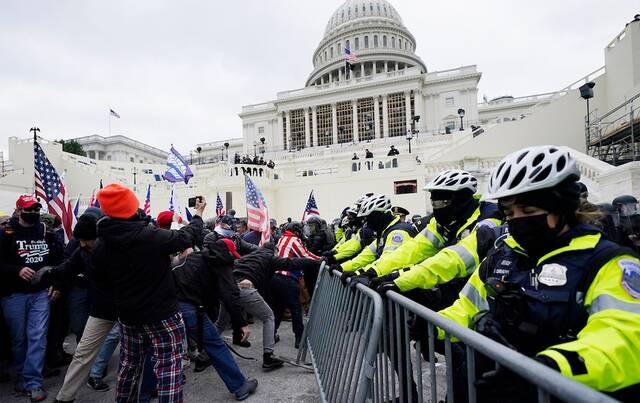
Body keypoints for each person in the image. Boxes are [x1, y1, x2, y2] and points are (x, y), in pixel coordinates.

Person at [438, 145, 640, 401]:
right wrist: (433, 327)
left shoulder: (607, 262)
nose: (516, 220)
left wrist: (549, 368)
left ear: (561, 209)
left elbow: (624, 338)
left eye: (529, 212)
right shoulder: (504, 255)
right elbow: (466, 306)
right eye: (509, 213)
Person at [91, 184, 204, 403]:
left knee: (128, 367)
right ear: (131, 207)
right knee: (169, 369)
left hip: (128, 317)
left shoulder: (100, 246)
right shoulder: (149, 236)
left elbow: (102, 283)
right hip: (163, 315)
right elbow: (185, 237)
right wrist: (198, 214)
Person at [172, 235, 258, 399]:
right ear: (227, 254)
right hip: (189, 308)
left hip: (168, 306)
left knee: (163, 349)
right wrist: (242, 323)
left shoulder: (194, 257)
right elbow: (230, 295)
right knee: (216, 345)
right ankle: (239, 386)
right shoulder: (221, 263)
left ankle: (149, 390)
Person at [0, 195, 64, 402]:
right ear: (18, 211)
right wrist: (16, 270)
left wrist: (57, 284)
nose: (34, 213)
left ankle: (33, 381)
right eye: (29, 209)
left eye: (37, 209)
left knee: (37, 336)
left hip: (40, 293)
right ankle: (21, 375)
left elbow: (59, 262)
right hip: (14, 295)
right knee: (19, 339)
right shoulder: (5, 234)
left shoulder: (47, 232)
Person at [218, 242, 317, 368]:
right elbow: (292, 263)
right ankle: (268, 356)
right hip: (244, 288)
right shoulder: (270, 257)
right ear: (274, 251)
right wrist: (314, 262)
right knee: (269, 317)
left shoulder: (247, 257)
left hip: (227, 288)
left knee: (220, 323)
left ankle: (204, 354)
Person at [338, 194, 417, 283]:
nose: (366, 223)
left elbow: (387, 261)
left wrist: (362, 273)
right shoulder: (385, 232)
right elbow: (365, 256)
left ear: (379, 215)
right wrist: (341, 267)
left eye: (368, 218)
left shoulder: (398, 232)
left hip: (408, 285)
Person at [271, 222, 320, 348]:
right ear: (296, 231)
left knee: (278, 309)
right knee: (296, 309)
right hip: (288, 278)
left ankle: (271, 335)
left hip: (275, 278)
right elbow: (306, 255)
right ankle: (299, 339)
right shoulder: (293, 240)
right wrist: (320, 259)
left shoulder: (281, 239)